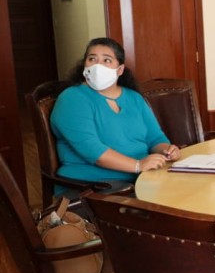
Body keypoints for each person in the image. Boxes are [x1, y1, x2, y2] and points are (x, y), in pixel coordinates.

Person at [51, 37, 181, 187]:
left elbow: (155, 138)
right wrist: (138, 165)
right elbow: (93, 151)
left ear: (120, 70)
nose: (97, 65)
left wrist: (167, 150)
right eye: (92, 59)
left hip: (144, 177)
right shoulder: (72, 98)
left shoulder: (134, 98)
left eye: (106, 60)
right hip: (93, 185)